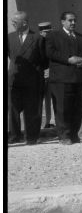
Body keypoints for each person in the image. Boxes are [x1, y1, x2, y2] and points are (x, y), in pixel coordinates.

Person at [45, 11, 82, 144]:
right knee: (62, 108)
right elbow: (50, 52)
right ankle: (64, 136)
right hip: (61, 79)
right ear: (62, 21)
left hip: (80, 79)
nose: (73, 23)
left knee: (78, 108)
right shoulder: (53, 36)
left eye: (74, 20)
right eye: (70, 20)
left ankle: (74, 135)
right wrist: (68, 59)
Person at [8, 11, 46, 145]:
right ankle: (14, 136)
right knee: (12, 109)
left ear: (24, 23)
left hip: (32, 80)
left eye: (14, 22)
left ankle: (31, 137)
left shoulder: (37, 38)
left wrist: (36, 73)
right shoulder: (9, 37)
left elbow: (44, 60)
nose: (12, 24)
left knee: (31, 109)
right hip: (14, 79)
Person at [37, 21, 55, 130]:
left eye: (48, 32)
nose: (46, 34)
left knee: (52, 98)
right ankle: (44, 122)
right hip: (40, 73)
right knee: (42, 100)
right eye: (44, 32)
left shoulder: (53, 41)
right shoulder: (37, 42)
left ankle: (51, 121)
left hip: (52, 72)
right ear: (40, 32)